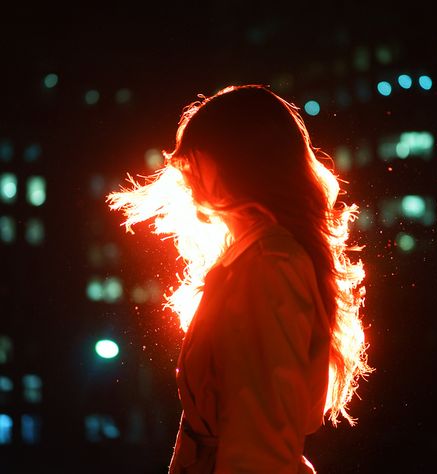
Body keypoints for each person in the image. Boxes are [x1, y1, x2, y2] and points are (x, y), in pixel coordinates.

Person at [107, 84, 372, 473]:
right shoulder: (254, 258)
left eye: (198, 158)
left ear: (236, 163)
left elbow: (260, 438)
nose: (187, 172)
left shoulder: (270, 263)